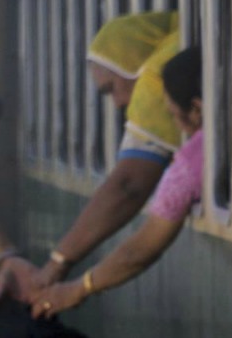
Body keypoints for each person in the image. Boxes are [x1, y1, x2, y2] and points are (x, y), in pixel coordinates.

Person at [30, 46, 203, 319]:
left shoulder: (189, 166)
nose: (178, 127)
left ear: (196, 109)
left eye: (172, 114)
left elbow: (140, 249)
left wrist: (78, 288)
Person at [32, 12, 182, 291]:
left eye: (111, 88)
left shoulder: (153, 81)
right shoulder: (178, 40)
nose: (118, 104)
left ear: (131, 64)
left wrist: (58, 261)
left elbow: (128, 186)